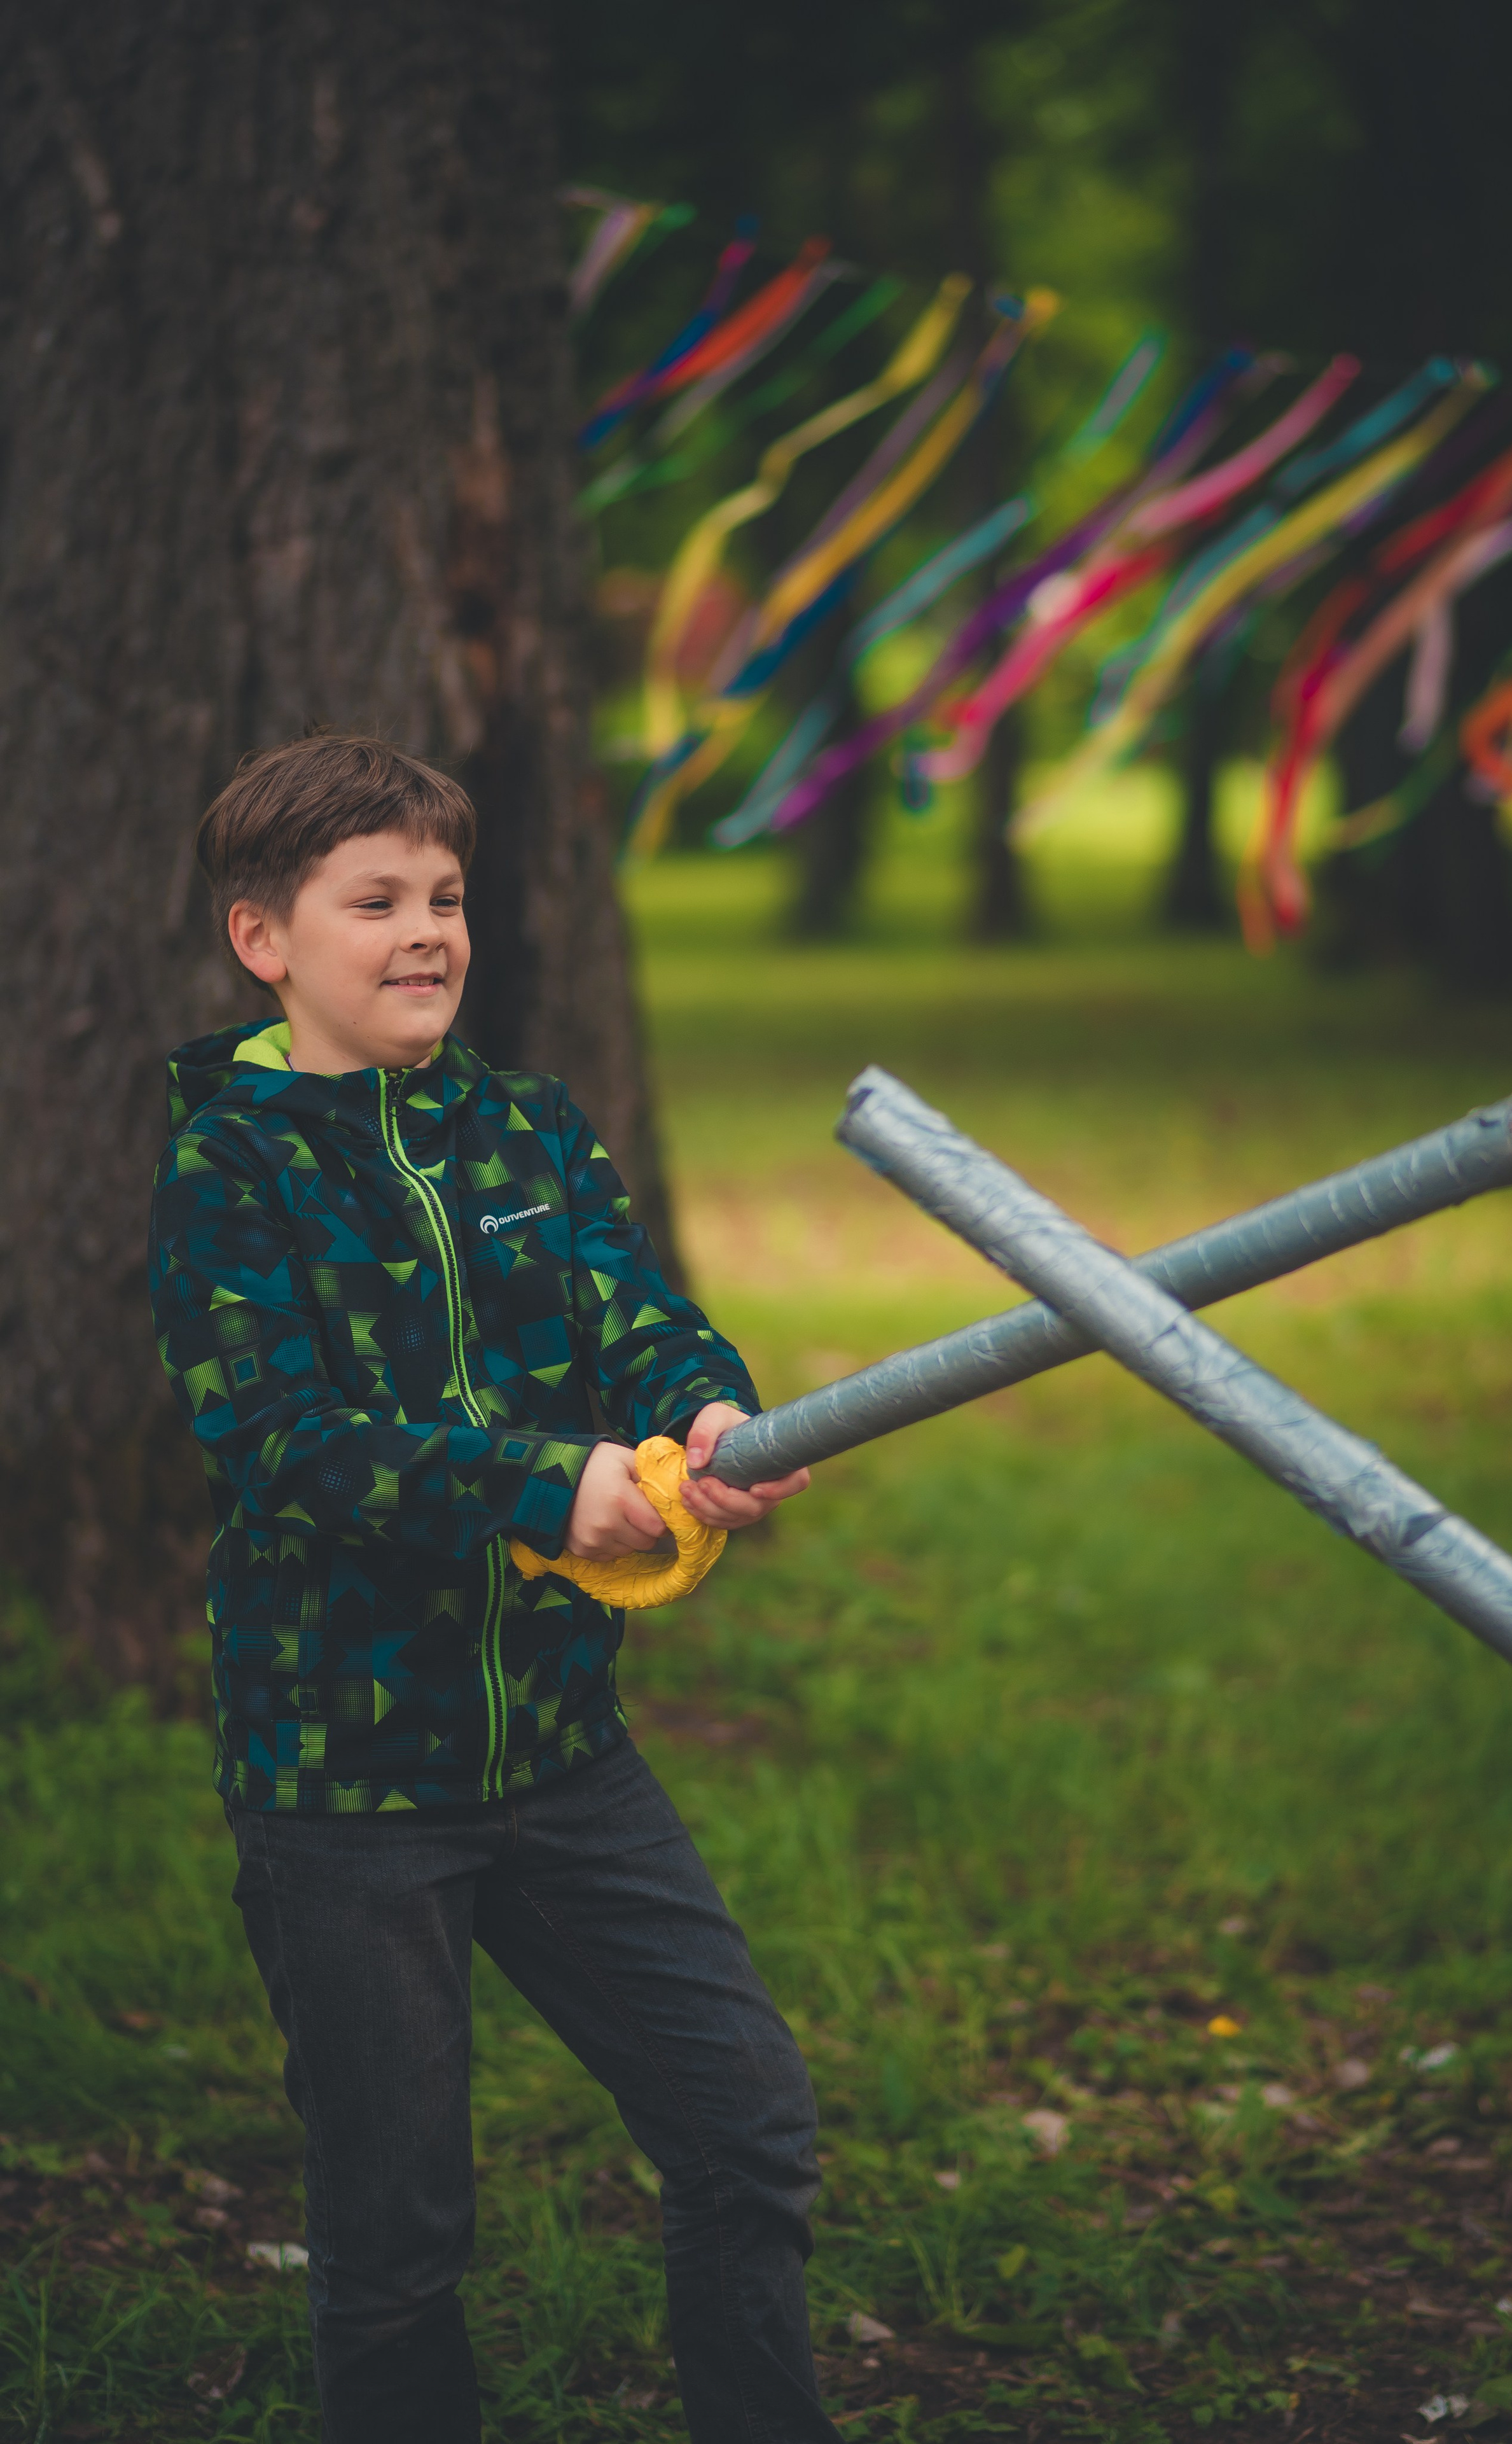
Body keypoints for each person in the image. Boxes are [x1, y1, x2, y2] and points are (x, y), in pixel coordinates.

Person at [149, 733, 834, 2444]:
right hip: (349, 1787)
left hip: (559, 1748)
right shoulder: (232, 1168)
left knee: (747, 2126)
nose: (426, 930)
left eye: (444, 897)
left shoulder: (525, 1125)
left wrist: (707, 1406)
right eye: (373, 899)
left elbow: (635, 1315)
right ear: (265, 942)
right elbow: (288, 1442)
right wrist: (546, 1486)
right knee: (396, 2237)